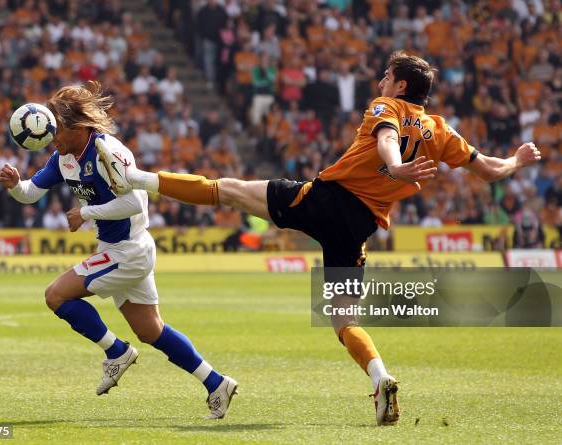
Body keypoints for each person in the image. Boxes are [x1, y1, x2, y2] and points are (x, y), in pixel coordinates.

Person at [98, 53, 542, 426]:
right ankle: (379, 378)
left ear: (401, 85)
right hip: (358, 226)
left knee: (227, 190)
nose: (381, 81)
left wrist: (394, 166)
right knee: (343, 320)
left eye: (387, 76)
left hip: (326, 200)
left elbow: (387, 140)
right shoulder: (442, 131)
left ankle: (136, 177)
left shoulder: (386, 107)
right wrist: (517, 161)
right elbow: (488, 168)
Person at [0, 81, 237, 419]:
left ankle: (116, 351)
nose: (53, 137)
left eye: (58, 129)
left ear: (78, 126)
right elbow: (30, 193)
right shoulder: (63, 157)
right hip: (117, 248)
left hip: (129, 250)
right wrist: (14, 185)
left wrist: (86, 212)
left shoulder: (109, 152)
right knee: (151, 330)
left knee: (56, 296)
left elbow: (135, 203)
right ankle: (217, 383)